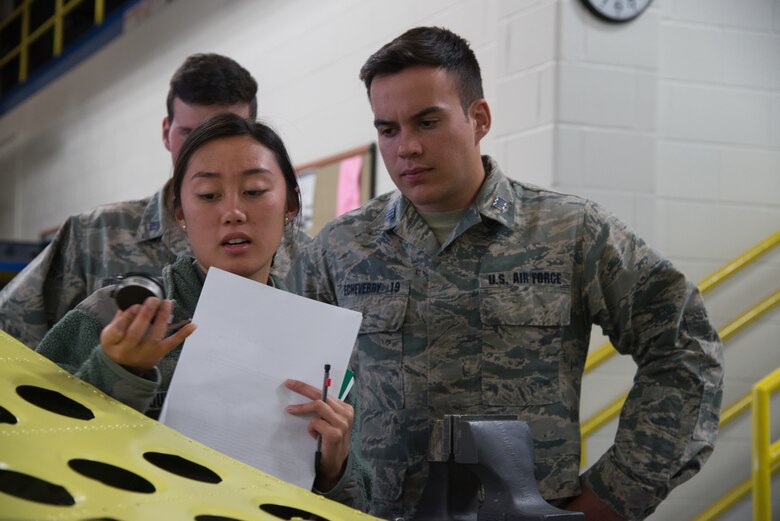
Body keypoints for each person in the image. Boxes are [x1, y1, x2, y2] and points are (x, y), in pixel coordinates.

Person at [287, 26, 724, 520]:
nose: (406, 147)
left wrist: (614, 496)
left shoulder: (570, 231)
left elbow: (685, 348)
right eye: (388, 129)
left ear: (479, 119)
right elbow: (283, 383)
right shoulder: (341, 247)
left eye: (427, 122)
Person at [36, 113, 370, 509]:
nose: (233, 213)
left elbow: (358, 502)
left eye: (255, 191)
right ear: (181, 214)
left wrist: (336, 468)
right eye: (209, 195)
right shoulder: (114, 317)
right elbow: (36, 443)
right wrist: (117, 371)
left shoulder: (316, 342)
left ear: (291, 205)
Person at [0, 53, 307, 349]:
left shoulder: (303, 257)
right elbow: (10, 331)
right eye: (191, 133)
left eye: (224, 131)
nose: (207, 147)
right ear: (166, 132)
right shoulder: (96, 235)